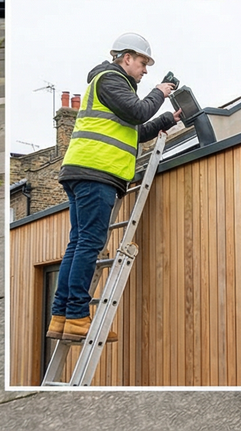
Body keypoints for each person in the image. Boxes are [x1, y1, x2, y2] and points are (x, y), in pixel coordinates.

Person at [49, 33, 179, 343]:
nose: (145, 70)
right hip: (97, 173)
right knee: (89, 244)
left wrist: (168, 119)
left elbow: (136, 130)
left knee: (79, 243)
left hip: (86, 171)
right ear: (127, 58)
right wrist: (161, 92)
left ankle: (61, 317)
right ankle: (77, 316)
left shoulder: (115, 88)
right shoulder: (111, 79)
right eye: (143, 63)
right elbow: (138, 112)